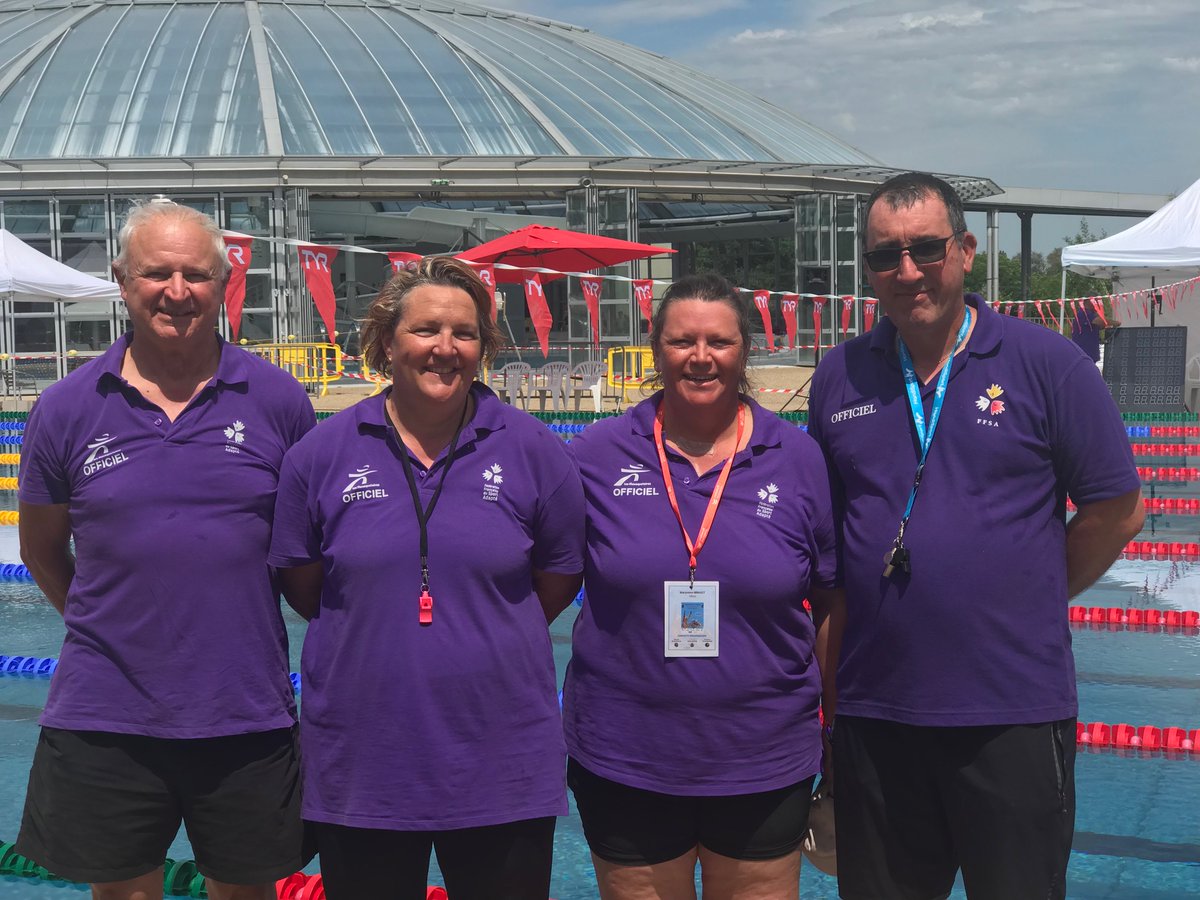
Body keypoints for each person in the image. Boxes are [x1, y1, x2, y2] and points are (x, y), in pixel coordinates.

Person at [807, 172, 1144, 900]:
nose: (907, 272)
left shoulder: (1046, 365)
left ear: (964, 251)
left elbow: (1118, 511)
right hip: (876, 716)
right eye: (885, 255)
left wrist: (1031, 589)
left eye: (926, 249)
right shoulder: (841, 376)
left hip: (1010, 713)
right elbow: (827, 553)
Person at [15, 200, 316, 900]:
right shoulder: (66, 408)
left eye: (196, 275)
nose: (177, 291)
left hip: (245, 709)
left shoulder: (277, 401)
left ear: (224, 284)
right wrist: (109, 628)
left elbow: (308, 554)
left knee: (247, 892)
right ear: (122, 279)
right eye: (157, 273)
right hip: (104, 712)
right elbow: (41, 550)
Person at [269, 256, 584, 900]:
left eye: (464, 333)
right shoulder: (322, 454)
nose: (446, 347)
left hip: (502, 757)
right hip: (364, 757)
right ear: (387, 342)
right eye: (425, 330)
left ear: (483, 347)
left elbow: (557, 579)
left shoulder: (533, 450)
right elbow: (305, 585)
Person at [563, 273, 843, 900]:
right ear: (656, 349)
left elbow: (830, 601)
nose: (700, 357)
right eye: (681, 341)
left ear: (745, 351)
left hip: (764, 752)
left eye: (719, 341)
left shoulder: (797, 459)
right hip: (625, 752)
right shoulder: (596, 456)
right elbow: (544, 579)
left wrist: (837, 728)